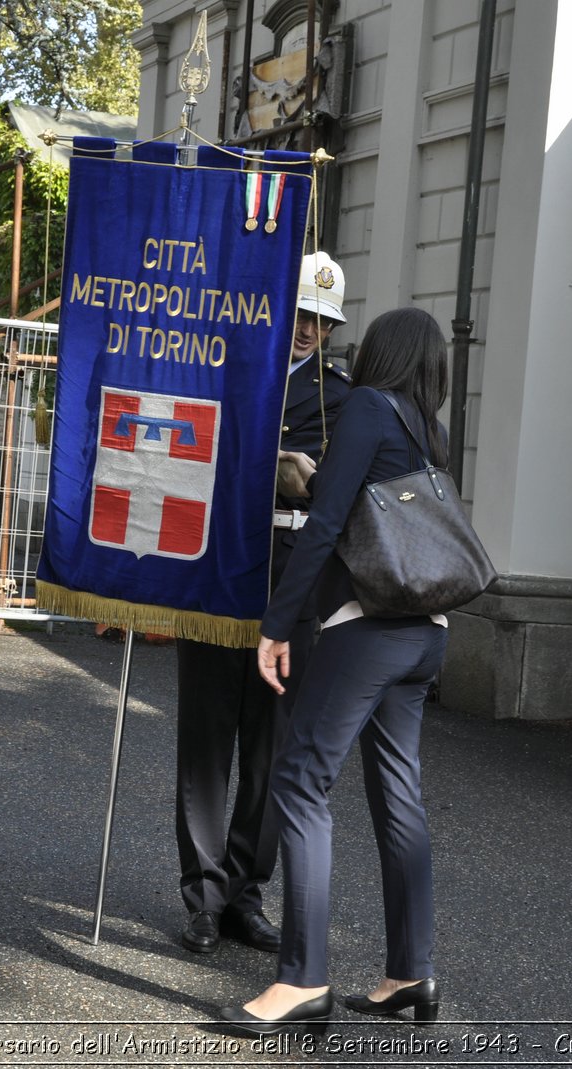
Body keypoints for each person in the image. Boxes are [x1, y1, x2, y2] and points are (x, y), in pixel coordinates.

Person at [217, 306, 453, 1035]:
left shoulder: (365, 409)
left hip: (367, 626)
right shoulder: (430, 428)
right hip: (428, 631)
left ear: (378, 354)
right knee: (399, 793)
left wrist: (277, 624)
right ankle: (410, 970)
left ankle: (301, 979)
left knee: (299, 781)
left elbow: (326, 528)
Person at [174, 252, 351, 954]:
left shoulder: (340, 398)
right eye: (302, 313)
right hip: (218, 567)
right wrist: (263, 466)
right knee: (207, 743)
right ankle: (202, 894)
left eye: (322, 320)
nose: (309, 329)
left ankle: (246, 891)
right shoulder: (224, 370)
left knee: (274, 747)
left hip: (292, 576)